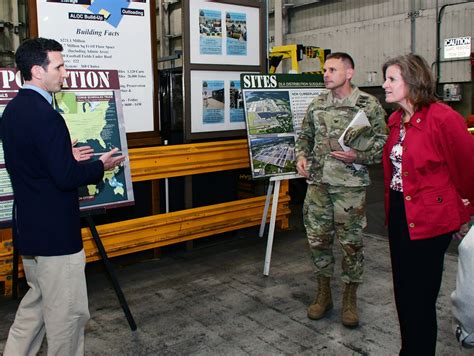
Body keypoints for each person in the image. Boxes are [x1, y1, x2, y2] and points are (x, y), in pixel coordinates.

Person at [1, 37, 125, 356]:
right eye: (58, 66)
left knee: (35, 310)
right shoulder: (46, 115)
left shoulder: (13, 111)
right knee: (67, 318)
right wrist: (100, 165)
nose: (65, 72)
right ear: (37, 71)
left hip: (30, 231)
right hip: (56, 237)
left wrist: (64, 156)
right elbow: (65, 177)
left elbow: (33, 164)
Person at [381, 53, 474, 355]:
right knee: (403, 294)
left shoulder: (444, 118)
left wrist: (464, 214)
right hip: (399, 214)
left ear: (412, 81)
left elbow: (467, 170)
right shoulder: (395, 120)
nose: (384, 84)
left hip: (430, 220)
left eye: (391, 79)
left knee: (420, 299)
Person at [295, 52, 387, 327]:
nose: (326, 74)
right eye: (325, 69)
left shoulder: (367, 105)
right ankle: (324, 294)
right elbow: (304, 135)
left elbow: (383, 143)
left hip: (349, 188)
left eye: (332, 69)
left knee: (351, 245)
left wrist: (357, 157)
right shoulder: (317, 103)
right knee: (318, 242)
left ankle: (349, 298)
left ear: (349, 73)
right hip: (318, 185)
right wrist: (301, 156)